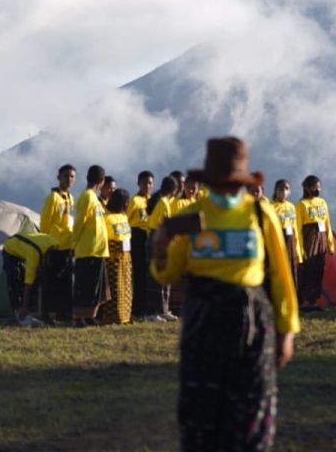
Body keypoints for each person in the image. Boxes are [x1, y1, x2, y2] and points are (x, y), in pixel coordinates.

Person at [151, 137, 299, 452]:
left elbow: (281, 276)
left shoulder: (259, 214)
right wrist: (161, 247)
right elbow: (168, 272)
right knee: (201, 412)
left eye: (232, 184)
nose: (227, 191)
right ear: (209, 182)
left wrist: (286, 332)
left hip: (252, 323)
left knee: (252, 405)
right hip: (203, 324)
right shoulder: (192, 215)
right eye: (221, 184)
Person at [70, 164, 111, 327]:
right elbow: (79, 222)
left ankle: (89, 316)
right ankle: (79, 318)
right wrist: (73, 244)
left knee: (95, 287)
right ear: (101, 181)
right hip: (88, 250)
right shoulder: (87, 196)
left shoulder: (95, 198)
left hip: (98, 250)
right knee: (85, 286)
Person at [39, 164, 76, 322]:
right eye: (66, 176)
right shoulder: (52, 198)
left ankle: (63, 312)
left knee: (66, 281)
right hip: (54, 245)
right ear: (59, 177)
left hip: (67, 244)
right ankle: (47, 313)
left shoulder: (70, 198)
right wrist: (46, 245)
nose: (69, 179)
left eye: (72, 176)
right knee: (51, 281)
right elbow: (45, 223)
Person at [1, 228, 56, 326]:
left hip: (24, 242)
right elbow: (28, 282)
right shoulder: (34, 254)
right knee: (15, 279)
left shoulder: (55, 243)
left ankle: (32, 311)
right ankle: (19, 313)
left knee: (37, 278)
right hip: (10, 249)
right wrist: (24, 306)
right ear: (47, 257)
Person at [146, 175, 181, 322]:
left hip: (159, 237)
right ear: (173, 190)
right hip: (158, 238)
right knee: (156, 276)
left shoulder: (162, 201)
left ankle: (164, 309)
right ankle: (153, 311)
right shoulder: (163, 203)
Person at [297, 175, 334, 310]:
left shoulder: (322, 202)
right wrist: (299, 249)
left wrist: (330, 244)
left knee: (319, 269)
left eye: (319, 186)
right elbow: (298, 229)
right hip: (309, 238)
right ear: (307, 187)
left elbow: (327, 223)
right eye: (314, 186)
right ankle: (304, 301)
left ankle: (314, 300)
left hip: (321, 238)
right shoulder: (301, 205)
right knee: (308, 270)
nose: (317, 189)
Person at [99, 189, 133, 325]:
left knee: (126, 288)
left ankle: (125, 315)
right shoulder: (106, 217)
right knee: (115, 288)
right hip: (113, 259)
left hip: (126, 258)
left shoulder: (124, 216)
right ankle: (112, 316)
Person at [266, 180, 302, 287]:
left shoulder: (291, 207)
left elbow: (295, 227)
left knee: (291, 269)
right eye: (281, 189)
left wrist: (298, 251)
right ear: (275, 190)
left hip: (290, 239)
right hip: (277, 240)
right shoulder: (270, 206)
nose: (284, 191)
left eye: (287, 189)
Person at [128, 170, 153, 320]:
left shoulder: (152, 200)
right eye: (144, 183)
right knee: (138, 274)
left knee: (147, 274)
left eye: (150, 183)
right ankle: (137, 310)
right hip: (137, 235)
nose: (147, 186)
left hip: (148, 236)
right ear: (139, 183)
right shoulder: (134, 200)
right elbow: (126, 218)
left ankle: (145, 307)